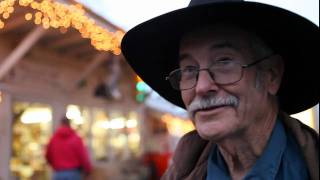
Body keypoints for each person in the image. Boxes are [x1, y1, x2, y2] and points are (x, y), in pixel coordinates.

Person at [121, 0, 319, 179]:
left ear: (271, 75)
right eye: (189, 69)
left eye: (224, 61)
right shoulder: (180, 173)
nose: (202, 87)